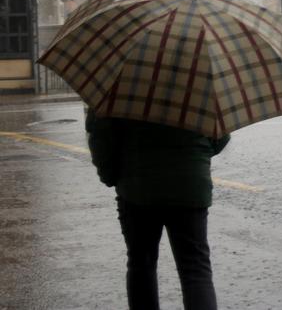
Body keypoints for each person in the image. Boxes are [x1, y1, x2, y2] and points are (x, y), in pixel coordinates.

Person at [86, 110, 230, 310]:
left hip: (136, 186)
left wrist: (110, 175)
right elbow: (221, 134)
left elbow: (101, 134)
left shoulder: (121, 84)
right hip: (189, 184)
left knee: (141, 263)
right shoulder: (197, 83)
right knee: (195, 269)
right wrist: (195, 154)